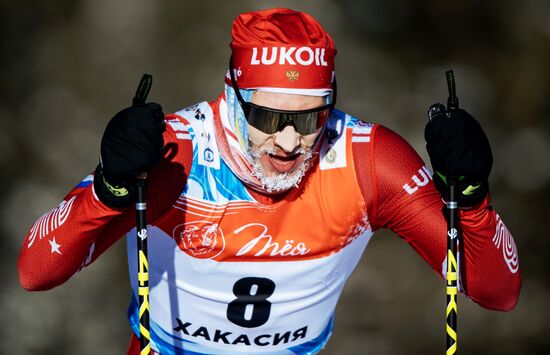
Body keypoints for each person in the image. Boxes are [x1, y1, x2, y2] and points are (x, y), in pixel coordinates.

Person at [18, 7, 521, 355]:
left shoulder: (368, 162)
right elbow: (35, 271)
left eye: (308, 120)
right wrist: (112, 187)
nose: (287, 141)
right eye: (266, 117)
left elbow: (496, 291)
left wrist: (472, 196)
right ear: (230, 96)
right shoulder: (173, 154)